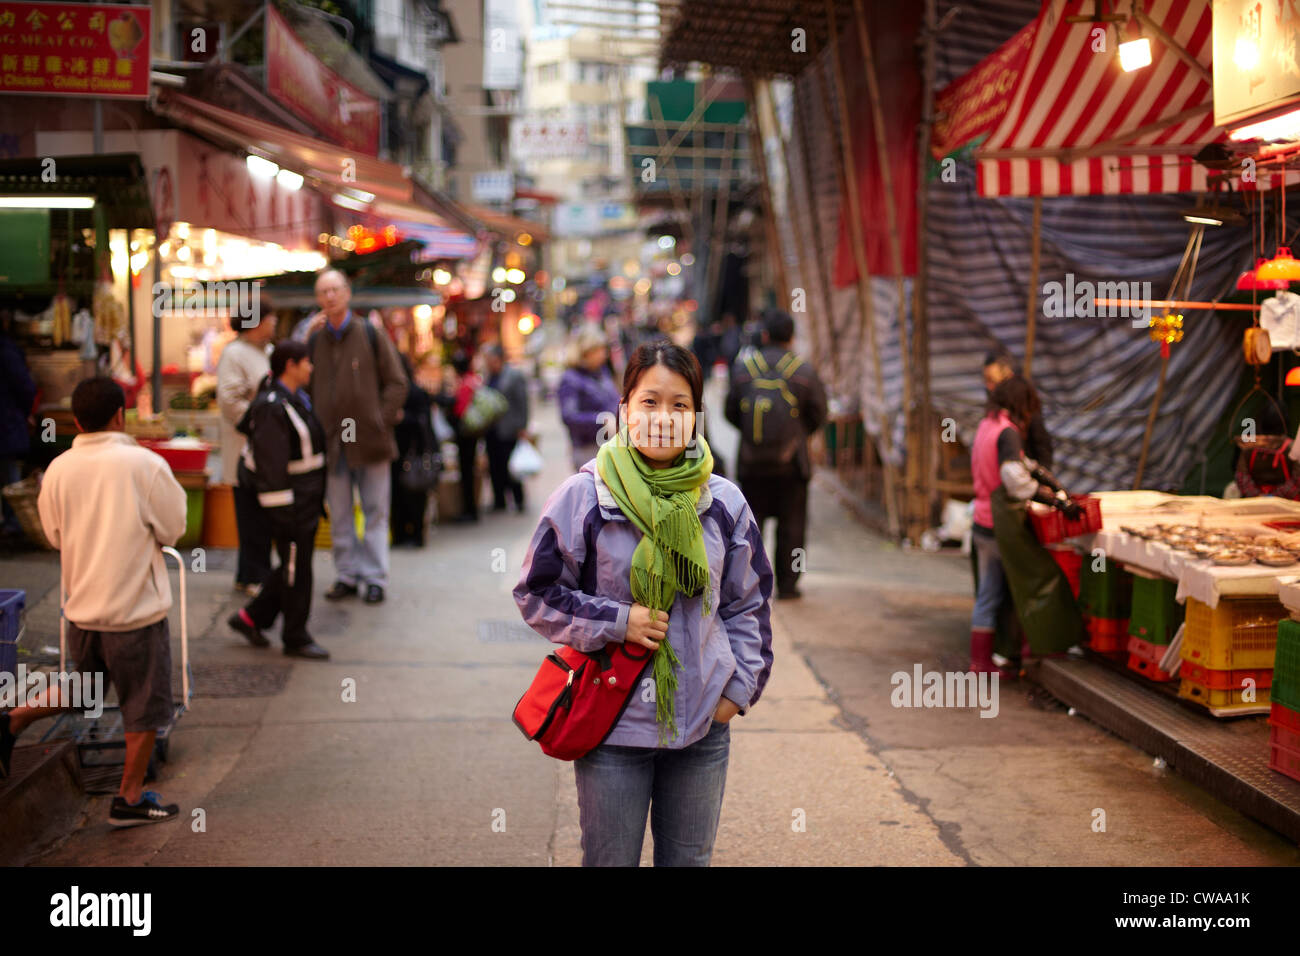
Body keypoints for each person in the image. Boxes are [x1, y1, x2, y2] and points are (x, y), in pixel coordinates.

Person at [514, 340, 774, 867]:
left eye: (680, 405)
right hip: (612, 726)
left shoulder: (722, 502)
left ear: (696, 416)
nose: (664, 417)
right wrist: (617, 621)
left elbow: (747, 604)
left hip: (702, 726)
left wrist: (737, 691)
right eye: (649, 401)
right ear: (624, 409)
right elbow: (535, 592)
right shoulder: (585, 496)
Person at [0, 378, 186, 825]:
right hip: (134, 613)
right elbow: (174, 527)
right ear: (120, 415)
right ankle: (130, 798)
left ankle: (12, 719)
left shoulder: (58, 469)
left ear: (78, 421)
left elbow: (53, 535)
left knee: (83, 690)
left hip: (82, 610)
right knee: (144, 706)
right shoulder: (145, 464)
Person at [306, 269, 408, 605]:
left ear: (347, 293)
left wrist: (380, 419)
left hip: (370, 441)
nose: (330, 297)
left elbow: (397, 382)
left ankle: (375, 577)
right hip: (333, 443)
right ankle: (346, 575)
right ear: (318, 298)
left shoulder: (369, 332)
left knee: (376, 511)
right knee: (339, 512)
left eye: (335, 290)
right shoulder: (314, 339)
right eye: (323, 292)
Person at [971, 375, 1084, 672]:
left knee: (991, 593)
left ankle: (983, 660)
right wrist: (1056, 500)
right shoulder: (1008, 432)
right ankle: (1042, 646)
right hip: (1000, 525)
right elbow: (1014, 479)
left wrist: (1047, 479)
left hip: (980, 522)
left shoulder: (986, 425)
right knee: (1041, 580)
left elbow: (1021, 464)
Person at [226, 342, 330, 660]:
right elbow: (272, 466)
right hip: (293, 505)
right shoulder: (273, 405)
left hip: (306, 500)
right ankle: (295, 637)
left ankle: (250, 618)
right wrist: (284, 513)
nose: (311, 368)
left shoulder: (293, 399)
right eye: (306, 363)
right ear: (290, 365)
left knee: (292, 565)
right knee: (296, 571)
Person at [724, 309, 828, 600]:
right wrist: (796, 433)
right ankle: (789, 585)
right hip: (792, 466)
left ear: (765, 335)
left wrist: (752, 435)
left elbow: (729, 411)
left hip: (751, 463)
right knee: (792, 526)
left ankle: (747, 584)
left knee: (750, 525)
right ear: (791, 337)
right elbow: (819, 413)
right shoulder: (803, 371)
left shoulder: (744, 369)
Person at [216, 302, 275, 593]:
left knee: (257, 512)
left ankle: (247, 573)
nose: (274, 323)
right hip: (244, 448)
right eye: (270, 317)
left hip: (262, 448)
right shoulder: (234, 353)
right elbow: (229, 401)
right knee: (251, 514)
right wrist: (261, 422)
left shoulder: (266, 351)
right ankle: (254, 575)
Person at [557, 326, 621, 472]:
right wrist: (601, 419)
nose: (603, 355)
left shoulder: (602, 372)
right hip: (588, 449)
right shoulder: (570, 378)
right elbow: (569, 417)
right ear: (585, 352)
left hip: (611, 443)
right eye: (598, 350)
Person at [391, 353, 439, 545]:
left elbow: (423, 422)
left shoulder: (415, 393)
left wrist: (403, 418)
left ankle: (415, 534)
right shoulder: (391, 392)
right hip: (397, 452)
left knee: (414, 494)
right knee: (400, 495)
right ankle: (401, 534)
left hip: (413, 452)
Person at [436, 350, 483, 524]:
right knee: (469, 470)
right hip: (471, 435)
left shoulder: (465, 384)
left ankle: (470, 510)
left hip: (466, 435)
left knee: (467, 472)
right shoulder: (472, 380)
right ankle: (470, 509)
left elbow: (459, 410)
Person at [983, 351, 1053, 468]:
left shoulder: (1021, 399)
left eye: (992, 380)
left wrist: (1043, 477)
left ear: (1008, 375)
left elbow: (1041, 444)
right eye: (986, 380)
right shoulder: (995, 407)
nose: (989, 386)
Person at [0, 315, 37, 537]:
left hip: (7, 422)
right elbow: (25, 387)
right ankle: (14, 523)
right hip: (6, 423)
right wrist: (26, 412)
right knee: (9, 473)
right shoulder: (7, 351)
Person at [482, 344, 530, 513]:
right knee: (495, 466)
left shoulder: (513, 375)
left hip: (509, 427)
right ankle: (499, 500)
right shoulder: (488, 376)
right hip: (492, 428)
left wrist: (522, 426)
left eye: (491, 360)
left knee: (512, 465)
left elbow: (522, 401)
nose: (488, 363)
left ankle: (518, 499)